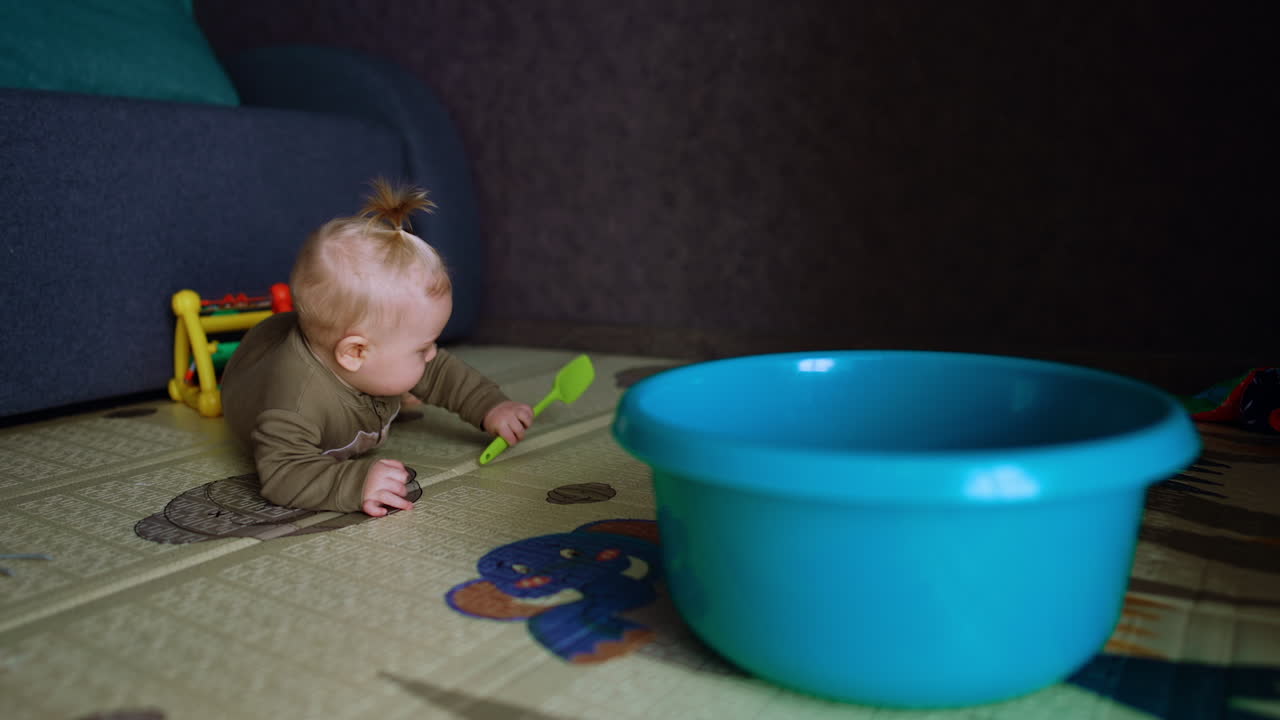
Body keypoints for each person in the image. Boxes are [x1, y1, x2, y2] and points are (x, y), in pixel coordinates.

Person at [221, 179, 533, 516]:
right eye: (422, 348)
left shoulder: (373, 356)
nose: (433, 355)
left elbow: (441, 372)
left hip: (341, 359)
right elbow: (282, 474)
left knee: (411, 374)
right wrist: (356, 484)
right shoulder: (296, 403)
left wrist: (491, 406)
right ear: (355, 353)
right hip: (251, 372)